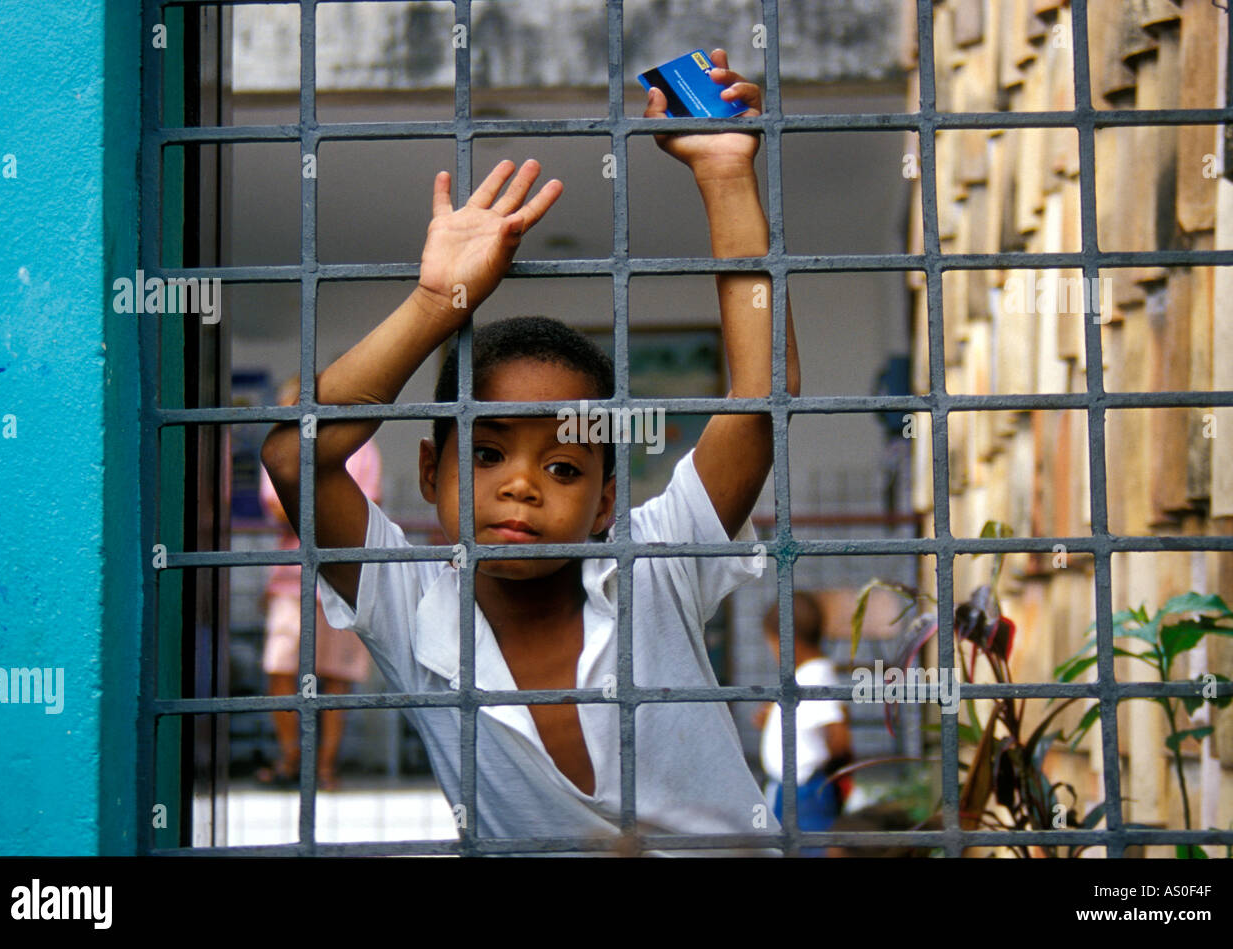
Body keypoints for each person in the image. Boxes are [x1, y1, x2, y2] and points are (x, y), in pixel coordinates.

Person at [260, 49, 800, 853]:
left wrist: (725, 174)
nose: (520, 487)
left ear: (608, 499)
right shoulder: (410, 609)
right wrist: (437, 301)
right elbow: (297, 456)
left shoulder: (654, 563)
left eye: (564, 466)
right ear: (429, 471)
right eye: (485, 455)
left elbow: (762, 395)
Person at [256, 375, 383, 791]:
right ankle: (294, 759)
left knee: (336, 677)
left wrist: (303, 503)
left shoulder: (362, 447)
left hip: (338, 576)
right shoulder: (278, 446)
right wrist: (330, 507)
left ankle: (324, 767)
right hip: (292, 579)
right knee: (280, 669)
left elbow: (366, 508)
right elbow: (275, 508)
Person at [755, 592, 854, 853]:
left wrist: (830, 767)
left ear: (788, 642)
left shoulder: (817, 674)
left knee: (811, 850)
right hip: (789, 789)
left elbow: (839, 736)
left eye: (773, 645)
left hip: (805, 792)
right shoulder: (805, 675)